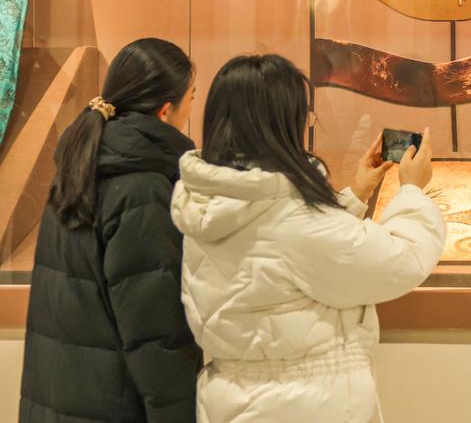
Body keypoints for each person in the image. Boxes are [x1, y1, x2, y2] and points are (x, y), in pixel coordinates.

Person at [172, 54, 446, 423]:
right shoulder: (290, 213)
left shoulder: (213, 198)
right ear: (281, 123)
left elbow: (287, 256)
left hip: (233, 398)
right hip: (304, 403)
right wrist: (412, 189)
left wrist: (355, 195)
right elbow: (399, 261)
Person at [21, 38, 200, 422]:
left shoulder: (76, 170)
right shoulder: (142, 188)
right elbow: (156, 336)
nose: (192, 108)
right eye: (192, 97)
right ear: (166, 110)